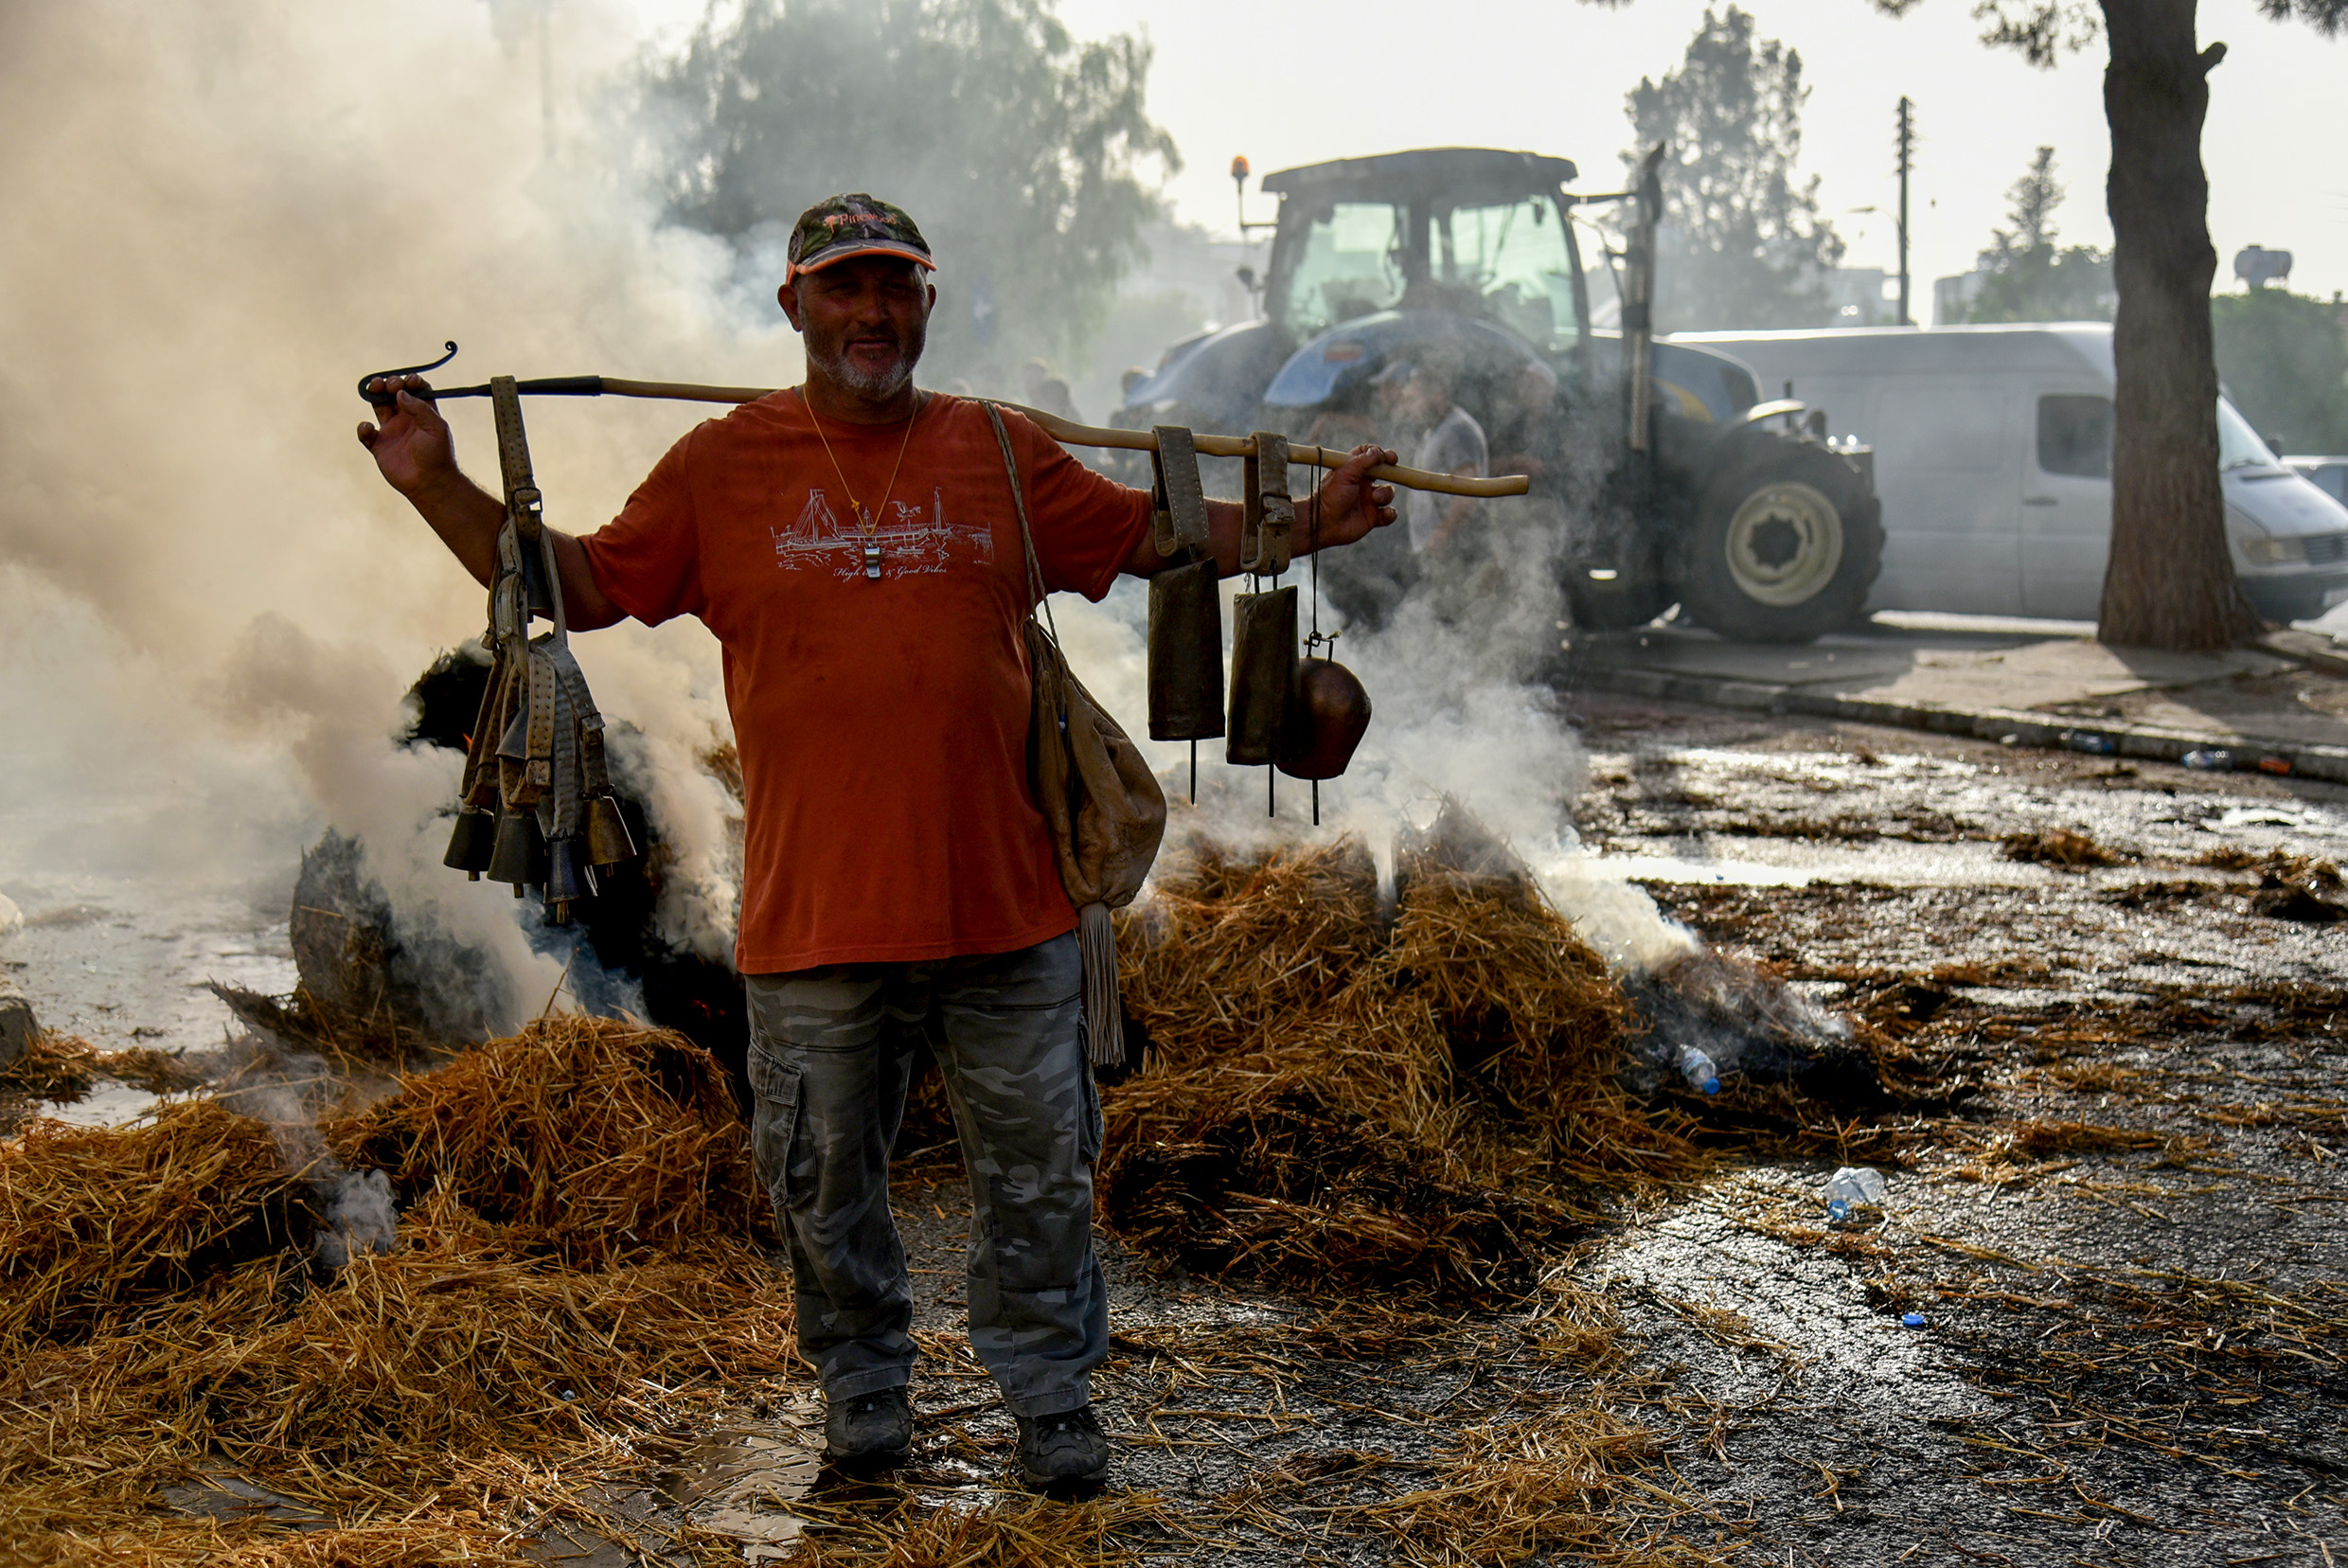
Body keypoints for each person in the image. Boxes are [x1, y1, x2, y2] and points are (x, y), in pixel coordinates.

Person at [357, 192, 1397, 1489]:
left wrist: (1318, 523)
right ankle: (861, 1387)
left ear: (927, 302)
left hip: (1010, 912)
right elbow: (571, 584)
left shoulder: (1001, 453)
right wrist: (437, 482)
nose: (872, 314)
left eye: (896, 287)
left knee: (1038, 1178)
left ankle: (1052, 1399)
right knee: (824, 1181)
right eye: (845, 288)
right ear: (795, 305)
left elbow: (1160, 537)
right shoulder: (722, 466)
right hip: (815, 921)